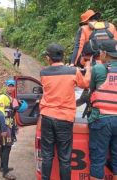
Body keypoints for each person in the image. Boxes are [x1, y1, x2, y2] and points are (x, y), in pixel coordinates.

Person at [40, 43, 91, 180]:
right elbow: (85, 84)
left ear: (48, 58)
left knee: (46, 155)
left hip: (47, 117)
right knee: (65, 158)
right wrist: (87, 68)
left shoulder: (43, 73)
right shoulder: (73, 72)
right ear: (63, 56)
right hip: (65, 119)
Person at [89, 40, 117, 180]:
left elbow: (92, 91)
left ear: (105, 53)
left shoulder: (98, 69)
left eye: (100, 52)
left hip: (102, 120)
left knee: (97, 160)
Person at [0, 78, 20, 180]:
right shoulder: (2, 97)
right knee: (7, 147)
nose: (11, 87)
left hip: (9, 126)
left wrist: (15, 126)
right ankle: (5, 172)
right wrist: (4, 129)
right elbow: (1, 113)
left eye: (12, 85)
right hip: (5, 127)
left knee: (3, 146)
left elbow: (12, 114)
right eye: (9, 85)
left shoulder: (10, 98)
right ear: (5, 86)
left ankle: (3, 167)